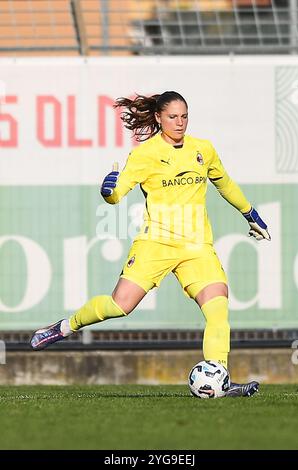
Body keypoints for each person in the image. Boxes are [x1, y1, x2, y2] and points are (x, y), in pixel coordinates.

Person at [31, 91, 270, 397]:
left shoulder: (203, 149)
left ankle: (218, 379)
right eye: (173, 117)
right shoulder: (145, 154)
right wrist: (107, 190)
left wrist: (249, 212)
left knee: (218, 309)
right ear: (158, 118)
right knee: (120, 305)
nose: (179, 123)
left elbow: (223, 182)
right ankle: (64, 327)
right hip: (155, 244)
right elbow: (117, 194)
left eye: (184, 116)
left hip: (196, 247)